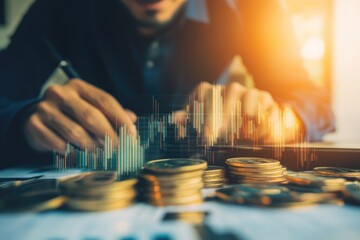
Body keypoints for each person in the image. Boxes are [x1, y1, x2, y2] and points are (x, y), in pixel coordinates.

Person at [0, 0, 334, 168]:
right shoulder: (57, 7)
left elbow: (314, 100)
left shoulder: (254, 7)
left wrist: (282, 120)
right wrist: (24, 121)